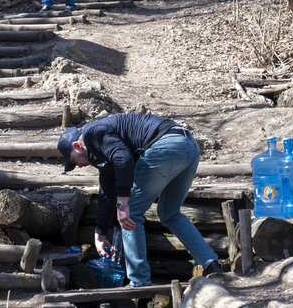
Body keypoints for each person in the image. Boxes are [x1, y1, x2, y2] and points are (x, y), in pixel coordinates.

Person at [58, 113, 223, 287]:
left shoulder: (92, 133)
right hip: (188, 146)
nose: (78, 166)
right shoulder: (102, 152)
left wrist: (122, 205)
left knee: (131, 214)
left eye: (73, 160)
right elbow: (107, 193)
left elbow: (124, 158)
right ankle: (211, 264)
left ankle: (139, 281)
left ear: (77, 145)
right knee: (170, 214)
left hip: (166, 146)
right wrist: (100, 234)